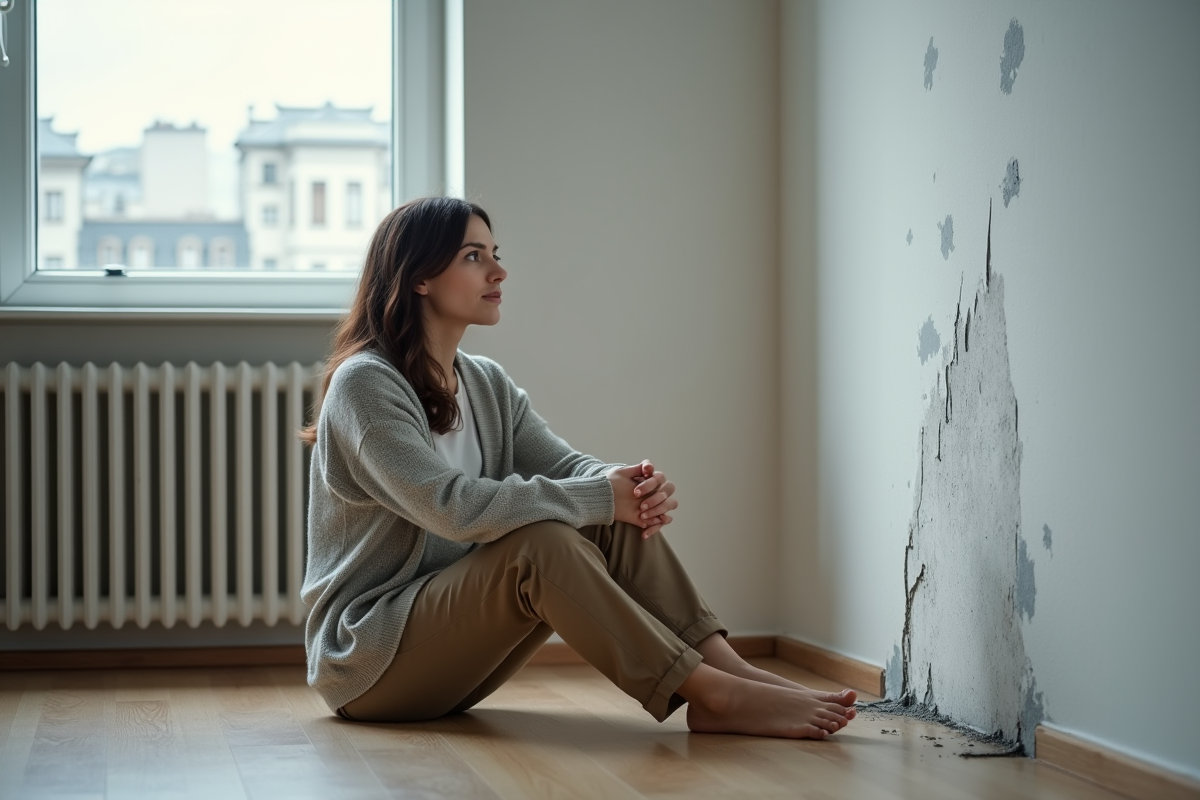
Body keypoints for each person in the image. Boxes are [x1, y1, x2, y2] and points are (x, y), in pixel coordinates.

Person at [299, 196, 858, 738]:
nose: (499, 271)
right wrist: (599, 495)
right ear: (418, 277)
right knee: (542, 543)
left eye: (496, 253)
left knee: (604, 513)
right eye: (475, 257)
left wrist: (628, 486)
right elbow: (453, 509)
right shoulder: (365, 385)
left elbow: (570, 466)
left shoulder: (484, 383)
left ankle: (735, 675)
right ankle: (712, 693)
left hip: (446, 649)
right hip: (368, 661)